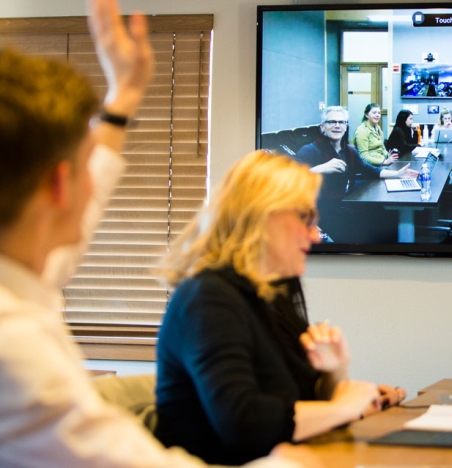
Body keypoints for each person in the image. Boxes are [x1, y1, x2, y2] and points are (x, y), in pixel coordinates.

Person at [0, 0, 311, 466]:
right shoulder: (15, 345)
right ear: (60, 185)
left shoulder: (21, 271)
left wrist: (122, 99)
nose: (101, 183)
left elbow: (83, 205)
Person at [154, 151, 407, 465]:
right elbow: (244, 424)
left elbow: (293, 407)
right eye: (306, 218)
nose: (315, 235)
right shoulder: (207, 298)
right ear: (260, 214)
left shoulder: (272, 292)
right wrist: (344, 408)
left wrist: (336, 378)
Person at [296, 106, 417, 243]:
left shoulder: (349, 151)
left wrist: (397, 174)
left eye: (341, 122)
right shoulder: (310, 150)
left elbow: (369, 170)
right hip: (324, 213)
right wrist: (320, 169)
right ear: (323, 127)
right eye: (332, 122)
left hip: (346, 203)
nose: (337, 126)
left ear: (346, 127)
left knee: (388, 217)